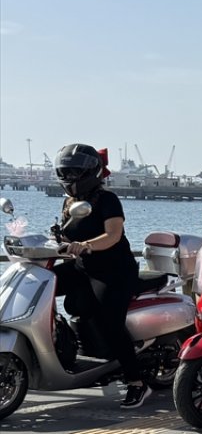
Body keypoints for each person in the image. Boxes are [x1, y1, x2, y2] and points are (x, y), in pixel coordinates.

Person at [50, 144, 149, 408]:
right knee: (44, 284)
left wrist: (87, 245)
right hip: (84, 266)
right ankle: (60, 343)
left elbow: (113, 235)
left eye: (75, 172)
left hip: (114, 270)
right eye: (65, 172)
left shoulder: (107, 200)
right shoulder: (69, 203)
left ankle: (135, 381)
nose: (70, 177)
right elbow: (68, 238)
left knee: (110, 321)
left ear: (90, 172)